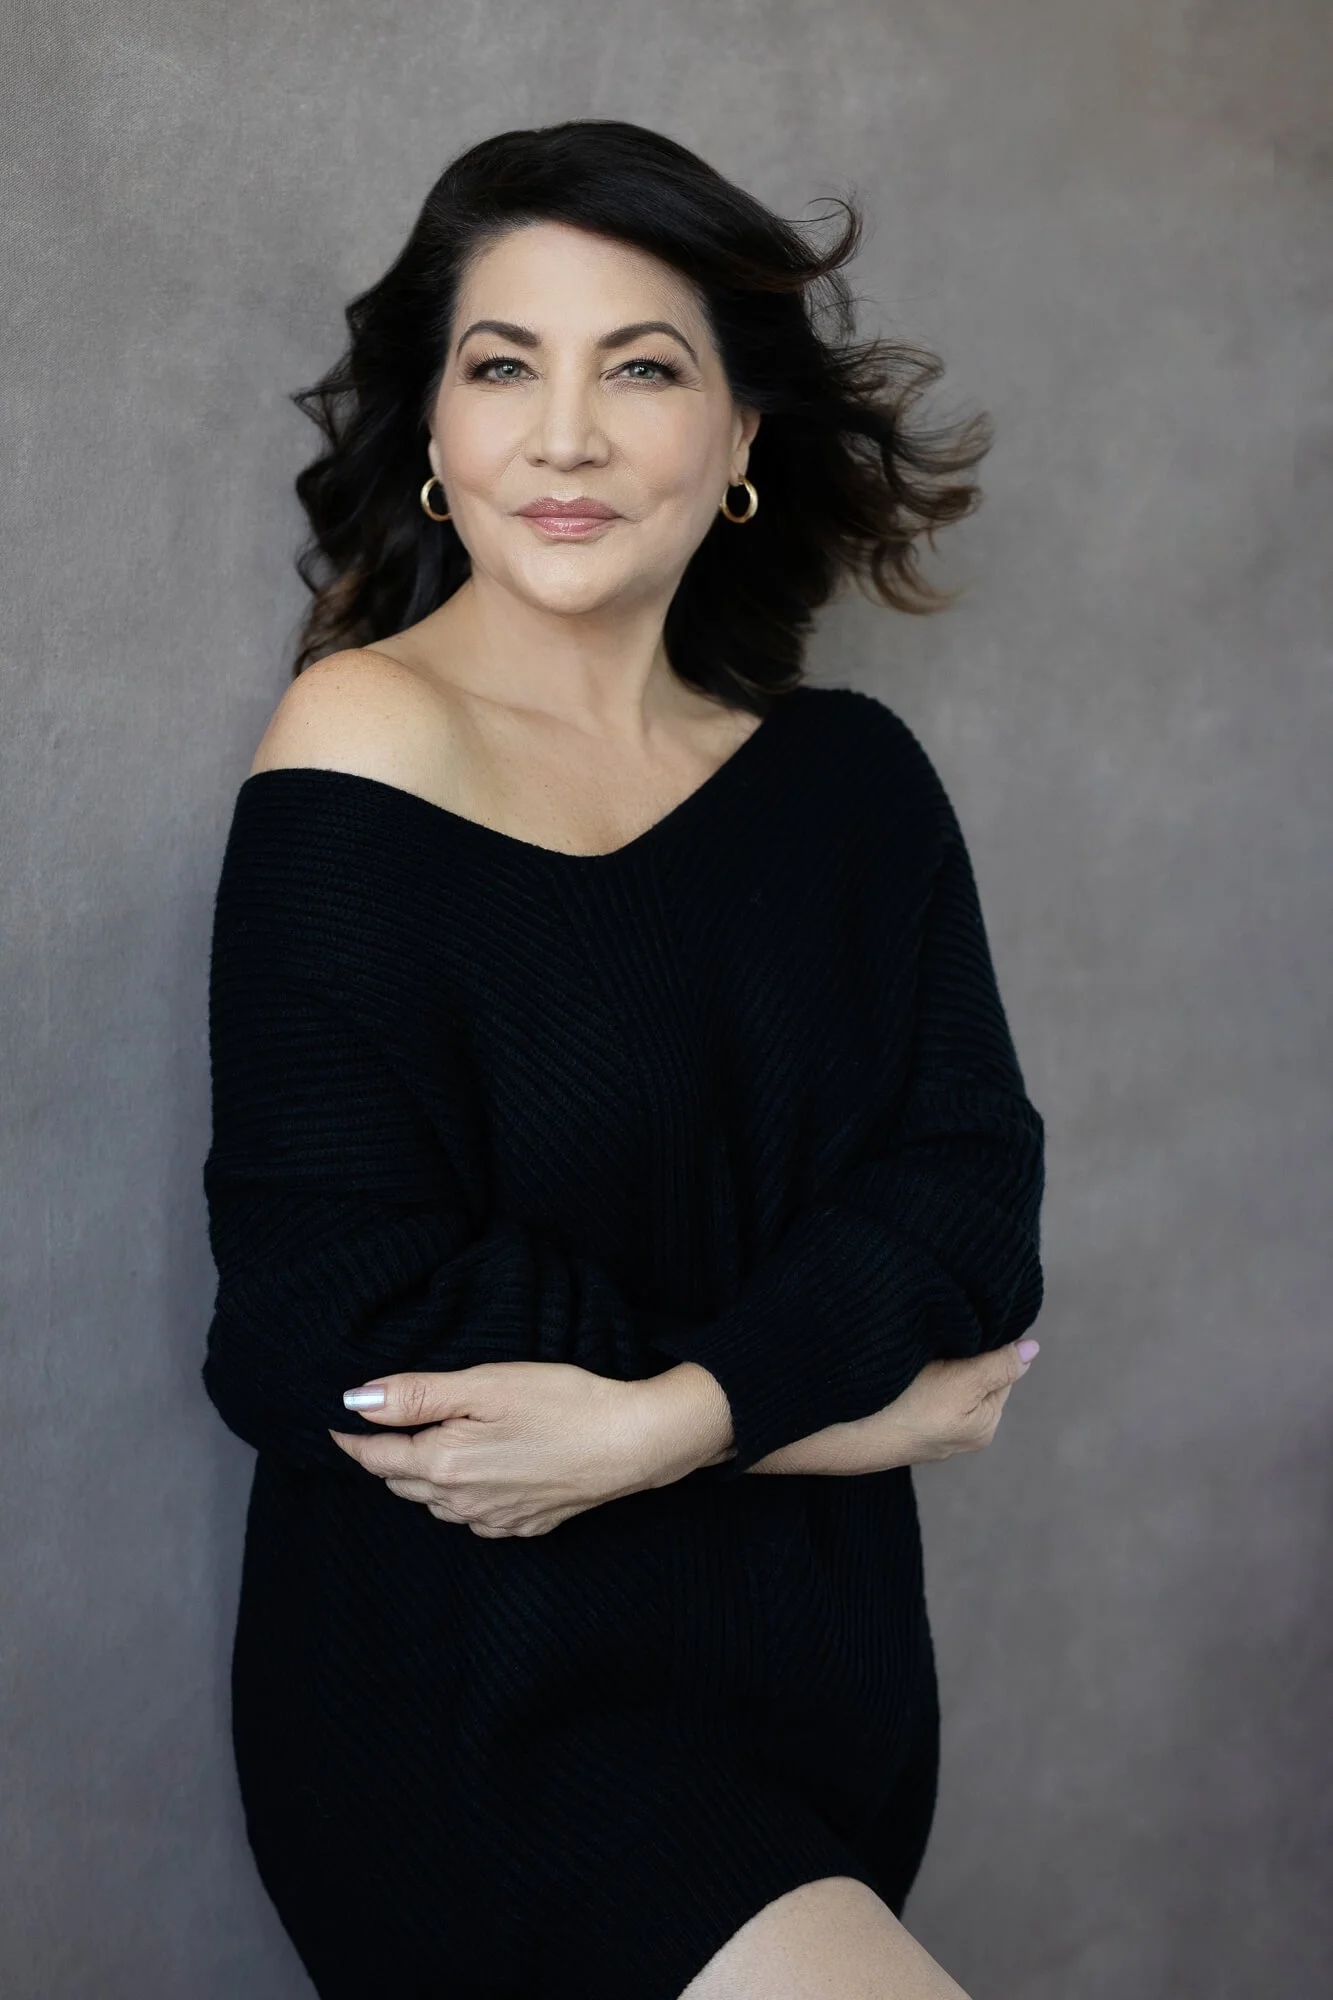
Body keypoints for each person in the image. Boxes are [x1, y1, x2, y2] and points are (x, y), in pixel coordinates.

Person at [201, 118, 1046, 2000]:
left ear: (742, 437)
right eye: (503, 366)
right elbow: (325, 1319)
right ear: (433, 433)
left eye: (641, 368)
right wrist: (836, 1405)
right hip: (481, 1703)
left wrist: (670, 1417)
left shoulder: (852, 789)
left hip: (821, 1689)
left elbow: (968, 1214)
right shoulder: (363, 736)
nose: (563, 436)